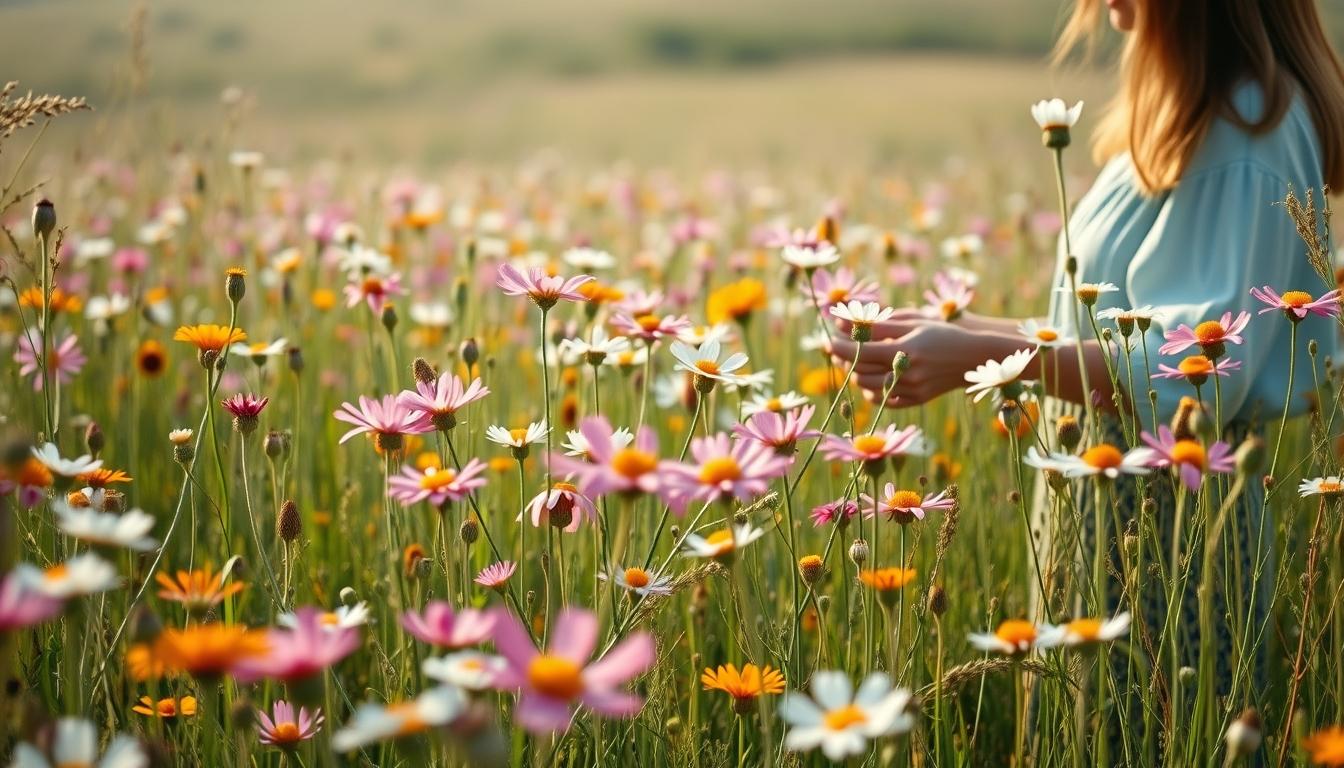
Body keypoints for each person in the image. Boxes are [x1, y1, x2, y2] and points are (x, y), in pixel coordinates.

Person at [827, 0, 1344, 754]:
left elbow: (1197, 376)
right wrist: (969, 335)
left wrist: (979, 361)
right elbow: (1117, 333)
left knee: (1148, 739)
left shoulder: (1246, 134)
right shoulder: (1192, 114)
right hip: (1106, 510)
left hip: (1174, 529)